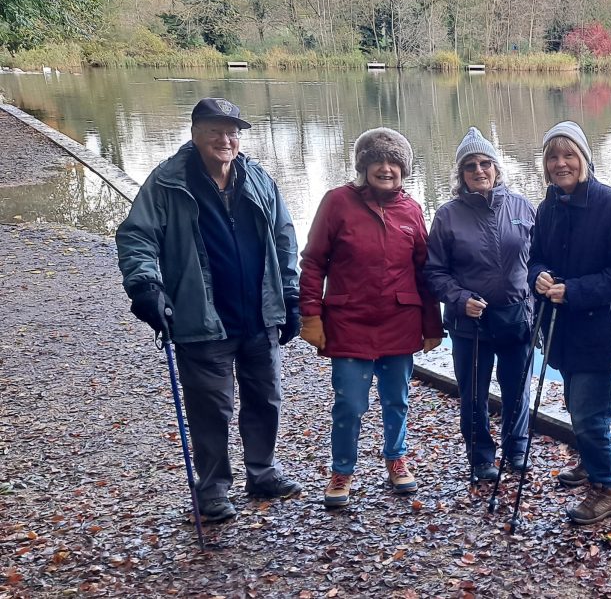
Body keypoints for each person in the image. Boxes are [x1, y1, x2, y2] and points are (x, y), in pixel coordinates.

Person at [116, 97, 303, 523]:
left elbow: (284, 239)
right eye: (215, 130)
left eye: (232, 131)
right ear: (196, 132)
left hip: (259, 315)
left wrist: (291, 297)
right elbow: (137, 238)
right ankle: (214, 489)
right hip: (201, 317)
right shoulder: (167, 181)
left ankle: (262, 471)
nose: (225, 139)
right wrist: (146, 287)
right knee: (211, 408)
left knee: (266, 399)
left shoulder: (257, 178)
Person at [299, 127, 443, 508]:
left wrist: (432, 324)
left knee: (397, 399)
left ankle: (396, 459)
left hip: (400, 321)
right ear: (363, 166)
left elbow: (423, 271)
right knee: (349, 403)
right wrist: (311, 314)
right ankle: (342, 469)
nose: (385, 169)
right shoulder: (337, 203)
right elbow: (313, 262)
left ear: (404, 169)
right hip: (349, 322)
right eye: (377, 161)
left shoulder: (411, 209)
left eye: (393, 162)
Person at [527, 121, 611, 525]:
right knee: (577, 405)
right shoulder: (548, 207)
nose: (561, 164)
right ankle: (590, 464)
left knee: (591, 415)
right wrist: (537, 275)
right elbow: (535, 257)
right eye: (553, 157)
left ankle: (607, 489)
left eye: (568, 155)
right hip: (563, 330)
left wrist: (572, 290)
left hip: (599, 331)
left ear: (585, 159)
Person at [424, 128, 536, 482]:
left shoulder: (522, 207)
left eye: (485, 163)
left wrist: (536, 297)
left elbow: (540, 261)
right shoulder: (447, 215)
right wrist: (459, 299)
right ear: (461, 174)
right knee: (473, 394)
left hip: (517, 316)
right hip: (471, 322)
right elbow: (434, 272)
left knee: (518, 387)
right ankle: (481, 456)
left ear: (497, 167)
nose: (479, 170)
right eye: (470, 165)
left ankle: (516, 448)